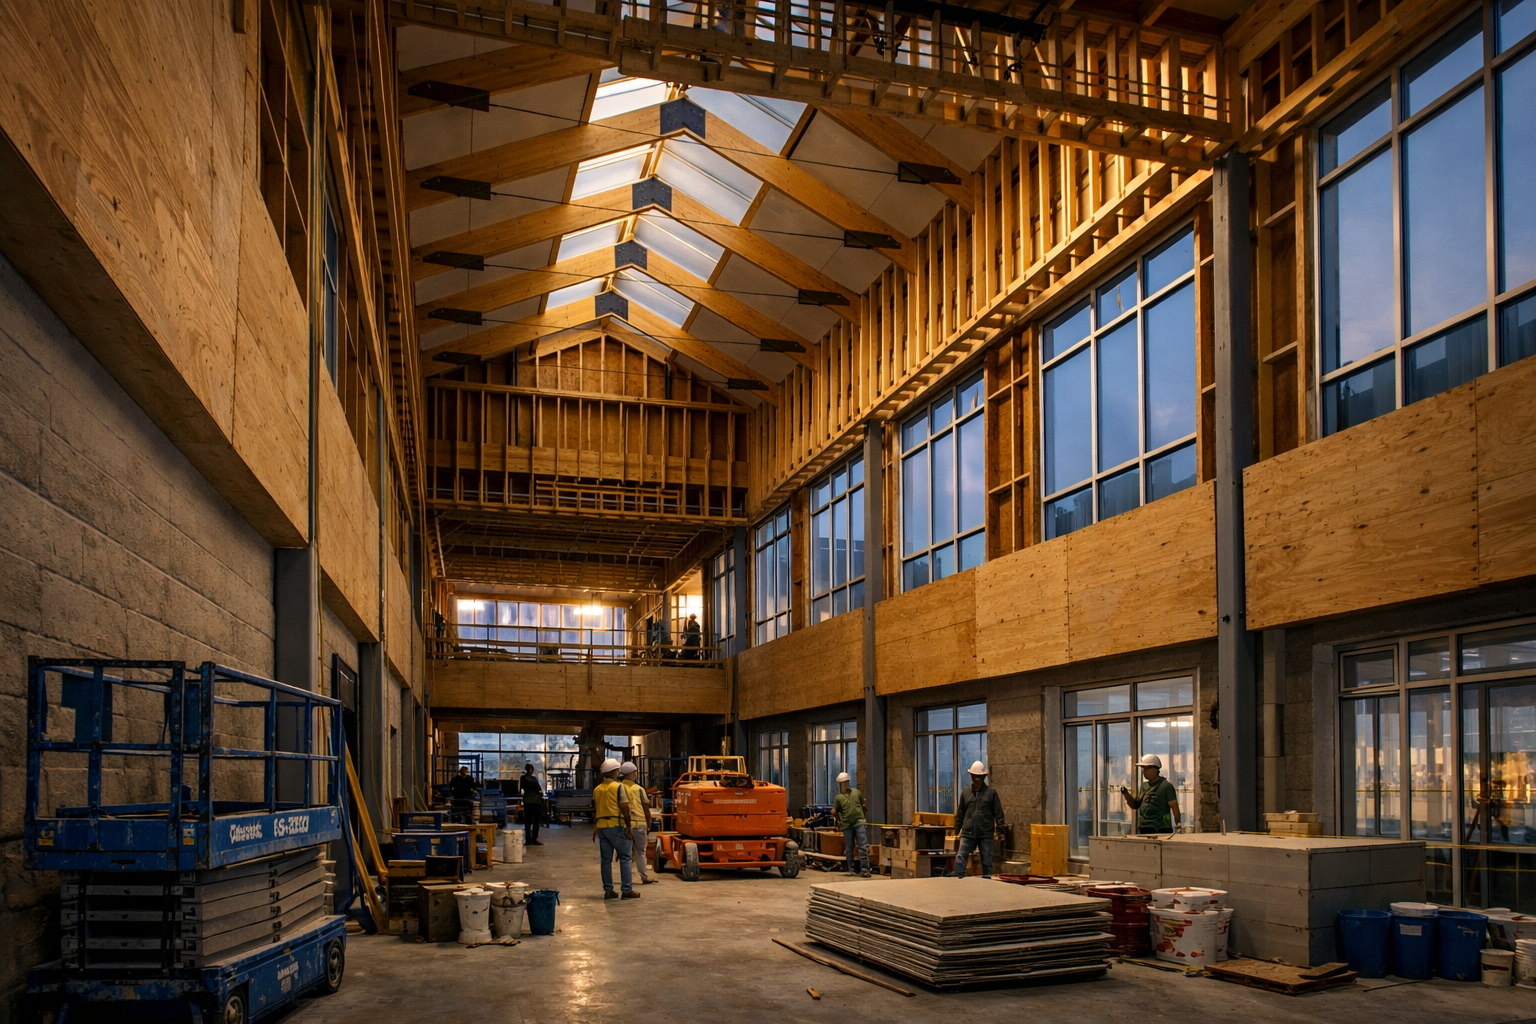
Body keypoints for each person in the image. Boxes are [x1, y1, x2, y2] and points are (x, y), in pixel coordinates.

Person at [591, 757, 638, 899]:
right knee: (625, 857)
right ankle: (627, 889)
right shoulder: (618, 787)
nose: (619, 772)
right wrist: (628, 826)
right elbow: (624, 807)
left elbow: (594, 808)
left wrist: (596, 826)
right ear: (614, 772)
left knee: (606, 860)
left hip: (602, 827)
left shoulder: (597, 789)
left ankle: (608, 890)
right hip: (616, 825)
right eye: (617, 770)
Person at [951, 760, 1004, 879]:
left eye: (979, 777)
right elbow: (960, 812)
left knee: (986, 862)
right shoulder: (966, 793)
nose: (976, 779)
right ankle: (958, 880)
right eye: (974, 776)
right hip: (968, 832)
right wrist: (957, 830)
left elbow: (998, 813)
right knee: (960, 856)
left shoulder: (991, 793)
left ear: (984, 777)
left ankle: (986, 883)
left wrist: (1000, 830)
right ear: (971, 776)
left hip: (985, 833)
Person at [1121, 754, 1182, 835]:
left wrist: (1178, 824)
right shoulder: (1144, 786)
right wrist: (1126, 794)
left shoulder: (1166, 786)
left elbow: (1174, 807)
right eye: (1143, 769)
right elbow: (1136, 805)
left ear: (1154, 769)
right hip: (1144, 828)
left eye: (1146, 769)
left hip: (1160, 828)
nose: (1144, 772)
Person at [618, 762, 657, 884]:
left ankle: (627, 879)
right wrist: (649, 822)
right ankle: (643, 877)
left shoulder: (618, 788)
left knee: (626, 854)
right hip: (640, 823)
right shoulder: (639, 789)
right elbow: (646, 807)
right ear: (633, 773)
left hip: (624, 824)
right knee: (641, 852)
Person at [832, 771, 870, 877]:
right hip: (848, 825)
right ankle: (852, 869)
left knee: (862, 846)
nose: (843, 785)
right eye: (842, 783)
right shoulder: (838, 798)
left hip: (858, 822)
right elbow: (836, 811)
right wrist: (839, 821)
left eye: (845, 783)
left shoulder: (856, 792)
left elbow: (863, 805)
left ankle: (864, 869)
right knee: (850, 848)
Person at [519, 762, 545, 846]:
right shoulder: (534, 779)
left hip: (527, 801)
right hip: (535, 802)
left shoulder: (522, 778)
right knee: (536, 821)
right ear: (532, 770)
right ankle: (534, 839)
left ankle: (527, 840)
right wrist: (540, 793)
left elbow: (521, 788)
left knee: (527, 821)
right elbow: (539, 790)